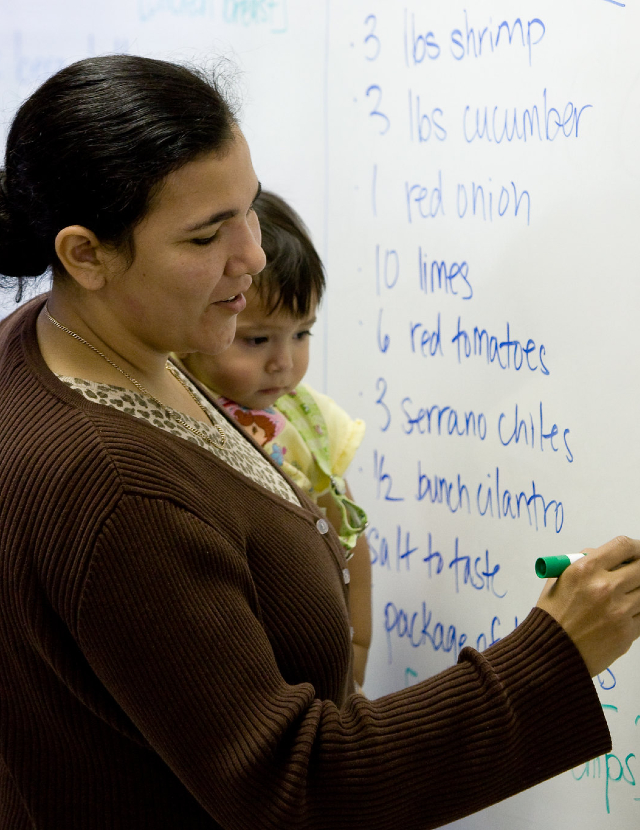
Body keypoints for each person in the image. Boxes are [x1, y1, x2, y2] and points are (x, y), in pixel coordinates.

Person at [0, 54, 639, 830]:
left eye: (251, 207)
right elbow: (298, 788)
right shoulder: (114, 488)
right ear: (85, 255)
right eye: (206, 236)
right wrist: (556, 655)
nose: (255, 254)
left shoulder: (64, 339)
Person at [179, 189, 372, 689]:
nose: (285, 362)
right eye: (258, 339)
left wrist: (357, 645)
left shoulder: (311, 420)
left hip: (312, 657)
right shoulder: (177, 399)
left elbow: (349, 535)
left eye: (302, 334)